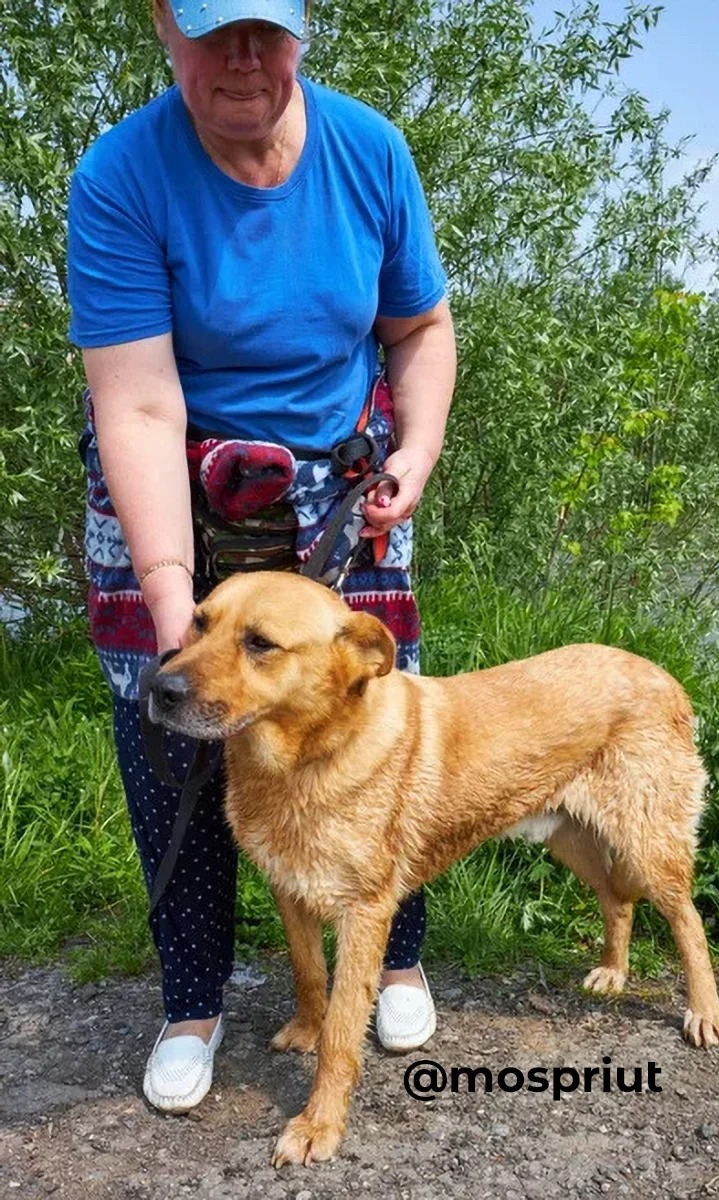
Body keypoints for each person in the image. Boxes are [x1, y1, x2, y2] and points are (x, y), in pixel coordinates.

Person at [67, 0, 456, 1112]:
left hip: (344, 484)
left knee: (376, 727)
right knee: (177, 727)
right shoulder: (119, 176)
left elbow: (417, 328)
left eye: (265, 28)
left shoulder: (369, 148)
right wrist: (174, 604)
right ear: (162, 27)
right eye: (211, 29)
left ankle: (388, 956)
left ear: (302, 28)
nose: (242, 56)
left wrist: (414, 453)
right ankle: (193, 999)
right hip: (172, 482)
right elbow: (135, 404)